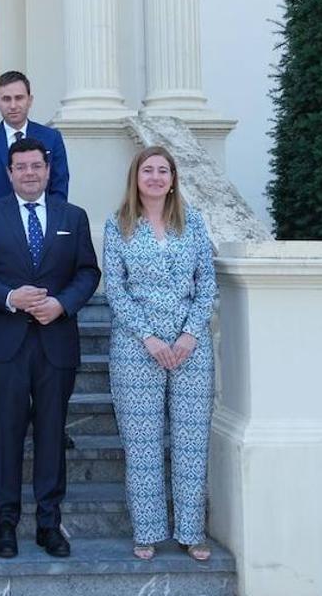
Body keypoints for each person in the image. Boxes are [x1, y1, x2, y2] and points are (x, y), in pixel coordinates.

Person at [0, 137, 100, 560]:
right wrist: (8, 297)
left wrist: (62, 304)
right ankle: (5, 523)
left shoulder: (73, 217)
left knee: (52, 433)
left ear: (48, 169)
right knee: (5, 434)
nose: (29, 173)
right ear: (9, 173)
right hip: (5, 341)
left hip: (56, 341)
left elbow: (88, 272)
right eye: (20, 167)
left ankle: (48, 523)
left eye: (36, 166)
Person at [102, 146, 216, 562]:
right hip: (137, 348)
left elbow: (207, 284)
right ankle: (147, 530)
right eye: (147, 170)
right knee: (143, 443)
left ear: (173, 179)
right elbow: (115, 288)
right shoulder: (118, 226)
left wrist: (188, 335)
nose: (154, 177)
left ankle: (192, 531)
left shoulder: (194, 224)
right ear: (135, 177)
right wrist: (149, 337)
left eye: (162, 170)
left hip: (191, 349)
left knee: (191, 441)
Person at [0, 70, 69, 210]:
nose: (13, 105)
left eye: (19, 98)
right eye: (6, 99)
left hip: (40, 226)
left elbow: (59, 187)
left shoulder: (51, 138)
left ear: (30, 100)